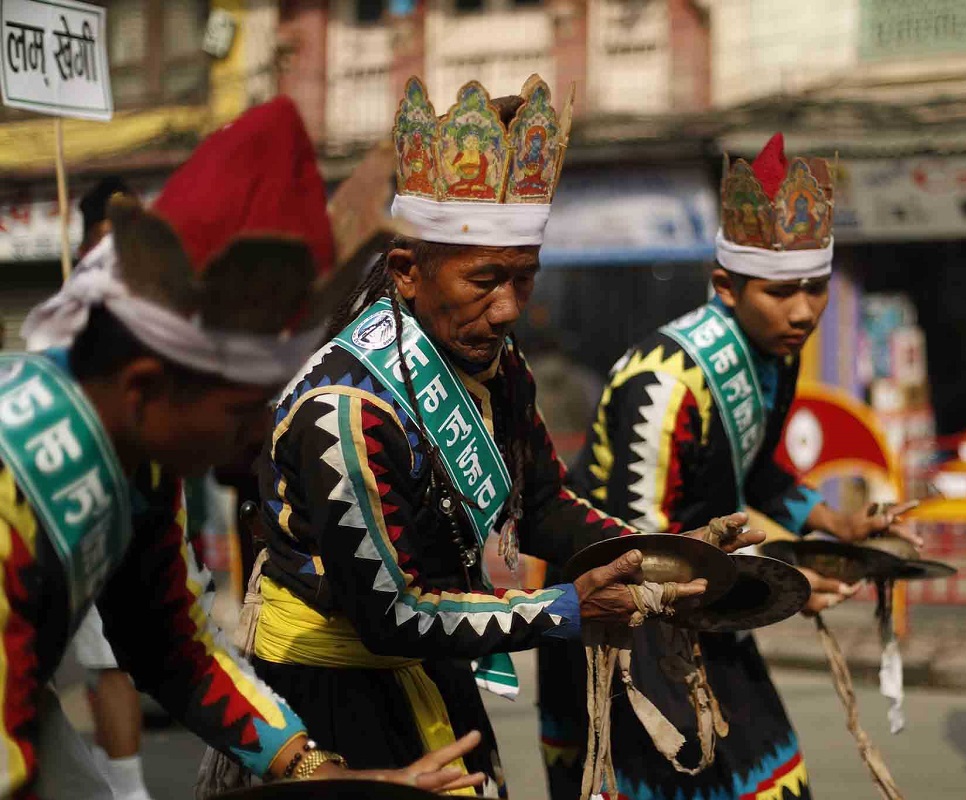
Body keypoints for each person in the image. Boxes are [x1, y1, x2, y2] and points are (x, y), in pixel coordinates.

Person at [249, 74, 759, 797]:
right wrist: (565, 608)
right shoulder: (348, 411)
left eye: (525, 279)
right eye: (486, 280)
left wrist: (662, 558)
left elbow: (545, 504)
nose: (509, 308)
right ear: (406, 273)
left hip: (436, 678)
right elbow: (393, 611)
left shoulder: (493, 360)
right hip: (332, 698)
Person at [2, 96, 484, 798]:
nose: (261, 433)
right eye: (242, 410)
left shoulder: (138, 459)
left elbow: (175, 644)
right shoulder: (21, 489)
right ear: (142, 387)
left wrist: (319, 772)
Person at [536, 133, 920, 800]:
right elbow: (639, 549)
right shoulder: (665, 384)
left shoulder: (776, 349)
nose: (803, 311)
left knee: (774, 779)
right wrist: (785, 580)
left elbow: (758, 465)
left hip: (702, 599)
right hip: (627, 619)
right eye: (780, 291)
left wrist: (837, 524)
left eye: (815, 288)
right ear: (727, 285)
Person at [68, 175, 157, 800]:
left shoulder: (158, 293)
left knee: (113, 655)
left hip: (133, 504)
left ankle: (128, 790)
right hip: (74, 503)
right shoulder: (72, 309)